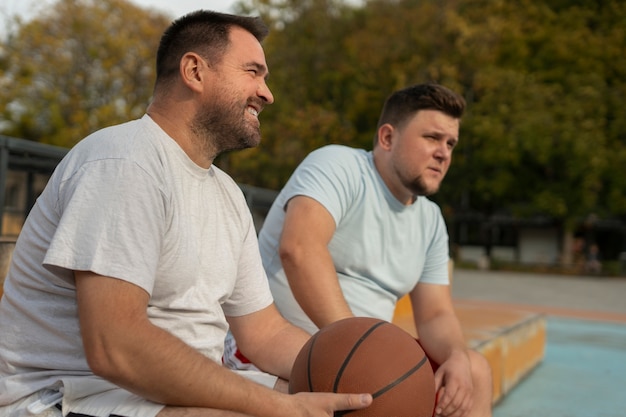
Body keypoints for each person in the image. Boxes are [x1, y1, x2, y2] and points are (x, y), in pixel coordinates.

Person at [0, 10, 373, 417]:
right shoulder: (125, 162)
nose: (267, 93)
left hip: (156, 395)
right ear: (194, 71)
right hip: (70, 396)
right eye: (253, 72)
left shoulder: (227, 195)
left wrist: (357, 370)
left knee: (348, 405)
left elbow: (264, 333)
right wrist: (274, 405)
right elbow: (115, 346)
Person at [225, 83, 493, 417]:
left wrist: (455, 356)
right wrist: (359, 348)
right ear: (387, 138)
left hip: (364, 347)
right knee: (373, 389)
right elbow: (299, 249)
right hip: (280, 341)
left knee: (473, 371)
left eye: (450, 143)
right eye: (432, 138)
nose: (444, 153)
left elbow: (436, 314)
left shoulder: (431, 220)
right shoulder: (338, 165)